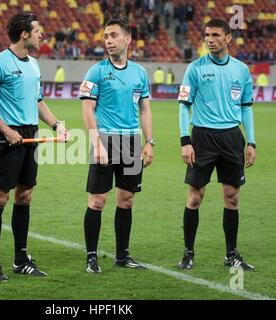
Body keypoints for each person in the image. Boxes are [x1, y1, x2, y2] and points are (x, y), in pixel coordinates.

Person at [0, 13, 69, 280]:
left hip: (30, 135)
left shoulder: (33, 64)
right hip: (6, 136)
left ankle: (21, 258)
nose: (41, 34)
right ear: (24, 34)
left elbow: (38, 101)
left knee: (24, 197)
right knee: (0, 198)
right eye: (37, 30)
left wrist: (57, 124)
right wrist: (6, 131)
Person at [177, 19, 256, 271]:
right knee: (195, 197)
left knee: (232, 198)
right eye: (207, 35)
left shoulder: (241, 70)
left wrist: (251, 141)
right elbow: (184, 106)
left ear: (228, 38)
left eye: (215, 35)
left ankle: (231, 254)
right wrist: (185, 140)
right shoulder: (195, 68)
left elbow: (246, 108)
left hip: (232, 138)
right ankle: (188, 253)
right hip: (203, 137)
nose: (209, 39)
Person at [79, 17, 154, 273]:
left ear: (127, 38)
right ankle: (91, 257)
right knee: (97, 201)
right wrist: (96, 143)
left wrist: (149, 142)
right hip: (106, 140)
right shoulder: (97, 71)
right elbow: (87, 109)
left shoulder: (139, 73)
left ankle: (122, 255)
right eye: (105, 36)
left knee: (127, 200)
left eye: (113, 35)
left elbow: (145, 109)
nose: (108, 40)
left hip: (132, 142)